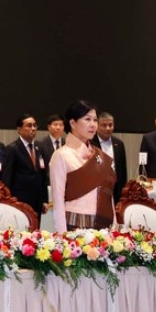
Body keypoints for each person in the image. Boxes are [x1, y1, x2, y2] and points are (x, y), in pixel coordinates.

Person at [50, 100, 116, 233]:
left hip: (103, 226)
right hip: (74, 226)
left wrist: (114, 224)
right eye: (87, 119)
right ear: (73, 123)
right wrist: (62, 237)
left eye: (95, 120)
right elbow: (58, 201)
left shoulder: (99, 155)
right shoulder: (61, 155)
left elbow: (108, 195)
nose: (93, 125)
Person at [2, 114, 49, 222]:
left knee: (35, 234)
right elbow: (7, 178)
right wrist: (9, 201)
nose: (33, 128)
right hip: (19, 201)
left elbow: (42, 175)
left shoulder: (38, 148)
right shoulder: (12, 149)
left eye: (34, 125)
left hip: (36, 202)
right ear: (19, 129)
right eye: (29, 125)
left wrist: (44, 200)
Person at [91, 111, 128, 204]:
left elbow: (123, 170)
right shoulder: (90, 144)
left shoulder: (119, 144)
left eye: (110, 125)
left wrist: (123, 190)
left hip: (116, 188)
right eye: (104, 125)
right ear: (97, 125)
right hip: (97, 188)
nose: (107, 128)